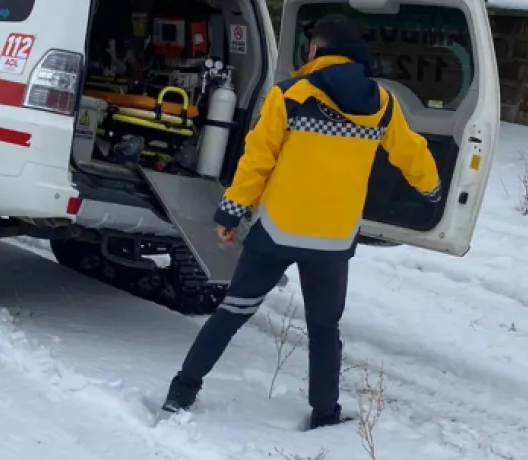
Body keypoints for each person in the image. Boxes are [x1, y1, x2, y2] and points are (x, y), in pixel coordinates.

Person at [160, 13, 442, 430]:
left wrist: (232, 211)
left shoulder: (290, 95)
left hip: (278, 230)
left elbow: (258, 159)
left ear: (319, 50)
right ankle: (325, 412)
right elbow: (411, 152)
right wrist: (432, 189)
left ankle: (181, 392)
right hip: (333, 238)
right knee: (325, 327)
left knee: (233, 312)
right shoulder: (382, 103)